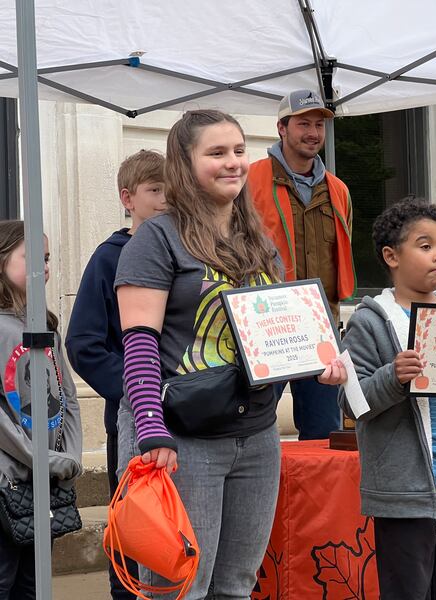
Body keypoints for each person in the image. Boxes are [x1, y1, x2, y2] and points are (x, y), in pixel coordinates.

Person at [114, 110, 346, 599]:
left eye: (239, 151)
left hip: (256, 435)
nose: (233, 163)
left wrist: (319, 360)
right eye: (216, 153)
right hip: (182, 438)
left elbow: (280, 334)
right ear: (184, 162)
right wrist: (151, 429)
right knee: (180, 588)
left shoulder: (258, 242)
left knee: (237, 587)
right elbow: (138, 344)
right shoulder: (155, 240)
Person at [339, 198, 436, 600]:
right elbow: (351, 404)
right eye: (424, 246)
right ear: (391, 256)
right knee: (407, 591)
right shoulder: (370, 320)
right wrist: (394, 376)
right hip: (406, 491)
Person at [65, 149, 165, 599]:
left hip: (194, 419)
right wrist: (134, 390)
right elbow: (83, 342)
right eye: (155, 190)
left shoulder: (189, 251)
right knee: (133, 528)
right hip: (132, 423)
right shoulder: (109, 258)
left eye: (172, 188)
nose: (167, 198)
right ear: (128, 198)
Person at [249, 89, 354, 440]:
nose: (313, 133)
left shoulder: (338, 189)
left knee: (325, 435)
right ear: (282, 127)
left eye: (319, 125)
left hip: (322, 325)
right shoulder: (248, 181)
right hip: (267, 326)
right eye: (303, 123)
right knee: (255, 430)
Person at [0, 220, 82, 598]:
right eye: (33, 257)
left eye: (47, 258)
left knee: (35, 584)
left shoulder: (45, 325)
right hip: (9, 481)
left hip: (45, 482)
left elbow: (67, 397)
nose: (44, 267)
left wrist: (71, 455)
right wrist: (42, 458)